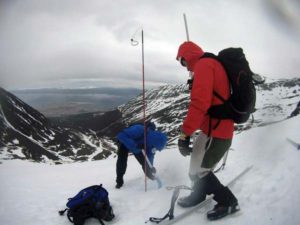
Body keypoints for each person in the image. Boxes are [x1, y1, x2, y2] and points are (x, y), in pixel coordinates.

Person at [176, 41, 239, 220]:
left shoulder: (204, 65)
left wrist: (185, 133)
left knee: (202, 171)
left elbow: (199, 103)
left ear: (189, 56)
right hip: (209, 129)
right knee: (194, 167)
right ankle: (198, 195)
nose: (184, 65)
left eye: (183, 60)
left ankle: (229, 202)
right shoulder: (206, 65)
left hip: (218, 132)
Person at [115, 121, 167, 189]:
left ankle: (150, 176)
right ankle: (119, 180)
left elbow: (149, 157)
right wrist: (135, 145)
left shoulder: (152, 145)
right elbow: (121, 135)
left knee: (144, 162)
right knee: (122, 159)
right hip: (126, 141)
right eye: (155, 147)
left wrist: (150, 168)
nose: (155, 149)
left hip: (138, 147)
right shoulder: (139, 129)